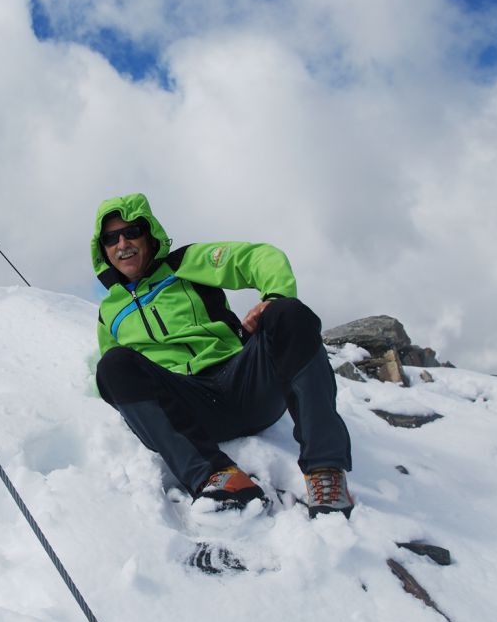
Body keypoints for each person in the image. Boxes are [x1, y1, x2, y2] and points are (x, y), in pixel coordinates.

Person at [91, 193, 353, 518]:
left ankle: (326, 472)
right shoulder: (109, 312)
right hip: (191, 406)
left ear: (149, 234)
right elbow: (118, 383)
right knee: (113, 366)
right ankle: (216, 479)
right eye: (111, 238)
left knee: (287, 312)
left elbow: (259, 257)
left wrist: (272, 297)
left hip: (242, 382)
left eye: (131, 232)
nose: (123, 243)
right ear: (102, 249)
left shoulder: (185, 264)